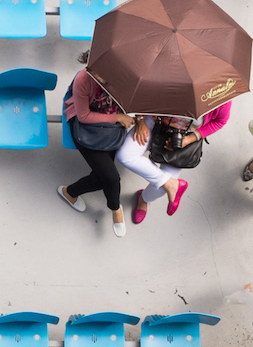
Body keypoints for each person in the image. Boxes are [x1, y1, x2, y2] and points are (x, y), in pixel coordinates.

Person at [57, 52, 135, 237]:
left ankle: (70, 192)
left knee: (103, 176)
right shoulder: (83, 80)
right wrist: (117, 117)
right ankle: (115, 209)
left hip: (110, 127)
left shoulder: (126, 76)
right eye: (98, 76)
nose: (103, 81)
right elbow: (84, 116)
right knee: (111, 178)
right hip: (86, 126)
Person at [117, 101, 231, 223]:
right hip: (155, 122)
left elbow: (220, 121)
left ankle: (143, 200)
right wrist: (140, 119)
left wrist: (189, 139)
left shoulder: (219, 95)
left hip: (180, 138)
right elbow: (145, 91)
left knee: (161, 188)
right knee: (125, 155)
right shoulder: (172, 82)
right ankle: (171, 183)